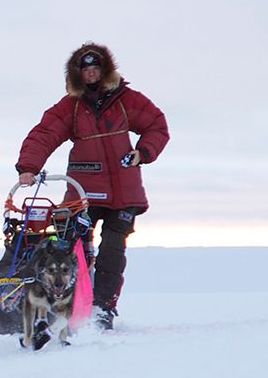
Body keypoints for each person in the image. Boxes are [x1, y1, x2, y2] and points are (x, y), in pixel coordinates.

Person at [14, 42, 169, 330]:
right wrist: (28, 168)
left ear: (106, 70)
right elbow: (45, 134)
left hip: (124, 193)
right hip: (82, 191)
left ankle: (102, 308)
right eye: (85, 70)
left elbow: (157, 126)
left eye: (96, 68)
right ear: (77, 74)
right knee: (69, 248)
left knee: (112, 250)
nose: (91, 74)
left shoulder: (128, 101)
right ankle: (64, 305)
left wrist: (143, 152)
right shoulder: (70, 107)